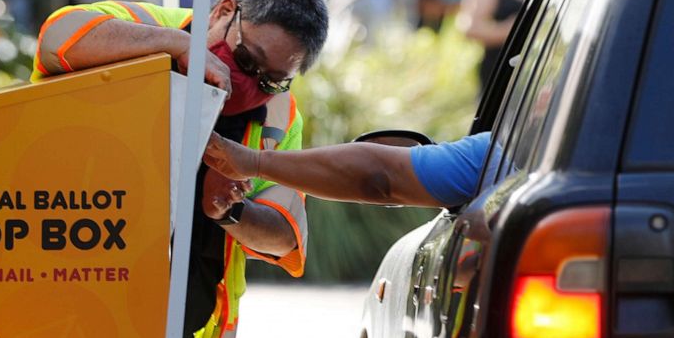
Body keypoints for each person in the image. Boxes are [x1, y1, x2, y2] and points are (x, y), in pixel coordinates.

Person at [33, 0, 329, 338]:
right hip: (61, 329)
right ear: (222, 14)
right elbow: (58, 39)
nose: (246, 88)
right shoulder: (151, 28)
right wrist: (176, 47)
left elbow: (285, 233)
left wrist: (229, 209)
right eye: (245, 61)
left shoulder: (277, 115)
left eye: (270, 80)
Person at [204, 131, 492, 208]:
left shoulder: (500, 151)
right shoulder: (508, 150)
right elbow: (378, 173)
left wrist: (256, 163)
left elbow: (379, 174)